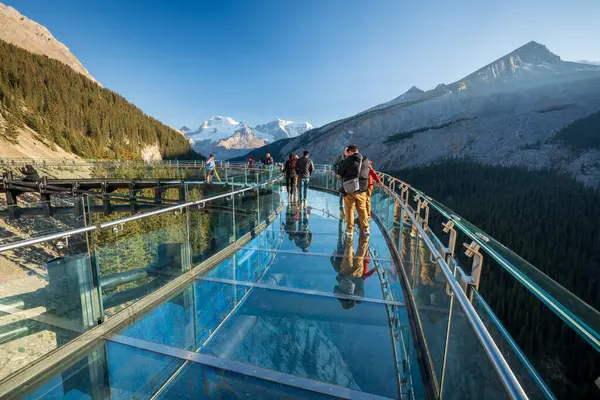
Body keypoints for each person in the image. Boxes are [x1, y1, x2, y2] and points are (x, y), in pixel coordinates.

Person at [337, 144, 370, 236]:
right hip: (362, 189)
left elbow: (339, 172)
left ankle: (350, 230)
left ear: (350, 151)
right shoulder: (366, 159)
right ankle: (366, 229)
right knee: (362, 209)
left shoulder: (349, 159)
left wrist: (345, 158)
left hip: (350, 188)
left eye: (347, 152)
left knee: (349, 210)